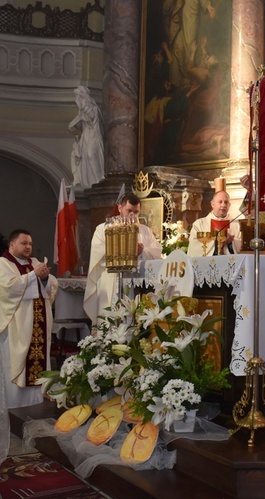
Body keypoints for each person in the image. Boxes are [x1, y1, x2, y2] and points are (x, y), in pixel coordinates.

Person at [0, 229, 58, 408]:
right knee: (15, 365)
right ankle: (14, 407)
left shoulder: (34, 262)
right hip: (15, 329)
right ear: (12, 244)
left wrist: (46, 278)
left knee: (37, 364)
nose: (28, 247)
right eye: (24, 243)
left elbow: (51, 287)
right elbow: (8, 289)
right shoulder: (1, 265)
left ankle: (36, 403)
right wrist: (33, 275)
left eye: (30, 243)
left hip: (36, 327)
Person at [84, 193, 162, 325]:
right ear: (120, 208)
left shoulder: (145, 231)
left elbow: (157, 254)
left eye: (136, 212)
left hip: (136, 283)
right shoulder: (103, 229)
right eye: (129, 210)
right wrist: (123, 248)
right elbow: (97, 252)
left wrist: (142, 252)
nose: (133, 215)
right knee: (109, 320)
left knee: (133, 320)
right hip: (111, 280)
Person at [69, 86, 105, 190]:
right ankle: (90, 181)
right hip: (86, 136)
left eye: (79, 96)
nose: (77, 99)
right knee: (85, 157)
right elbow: (74, 126)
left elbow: (91, 118)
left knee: (91, 155)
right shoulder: (82, 112)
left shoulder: (92, 108)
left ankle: (99, 179)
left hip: (93, 134)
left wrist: (84, 108)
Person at [187, 190, 242, 257]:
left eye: (226, 202)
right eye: (220, 202)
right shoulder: (199, 224)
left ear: (229, 205)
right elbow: (194, 246)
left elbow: (242, 245)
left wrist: (230, 242)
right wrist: (219, 241)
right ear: (212, 204)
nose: (223, 205)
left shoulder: (236, 224)